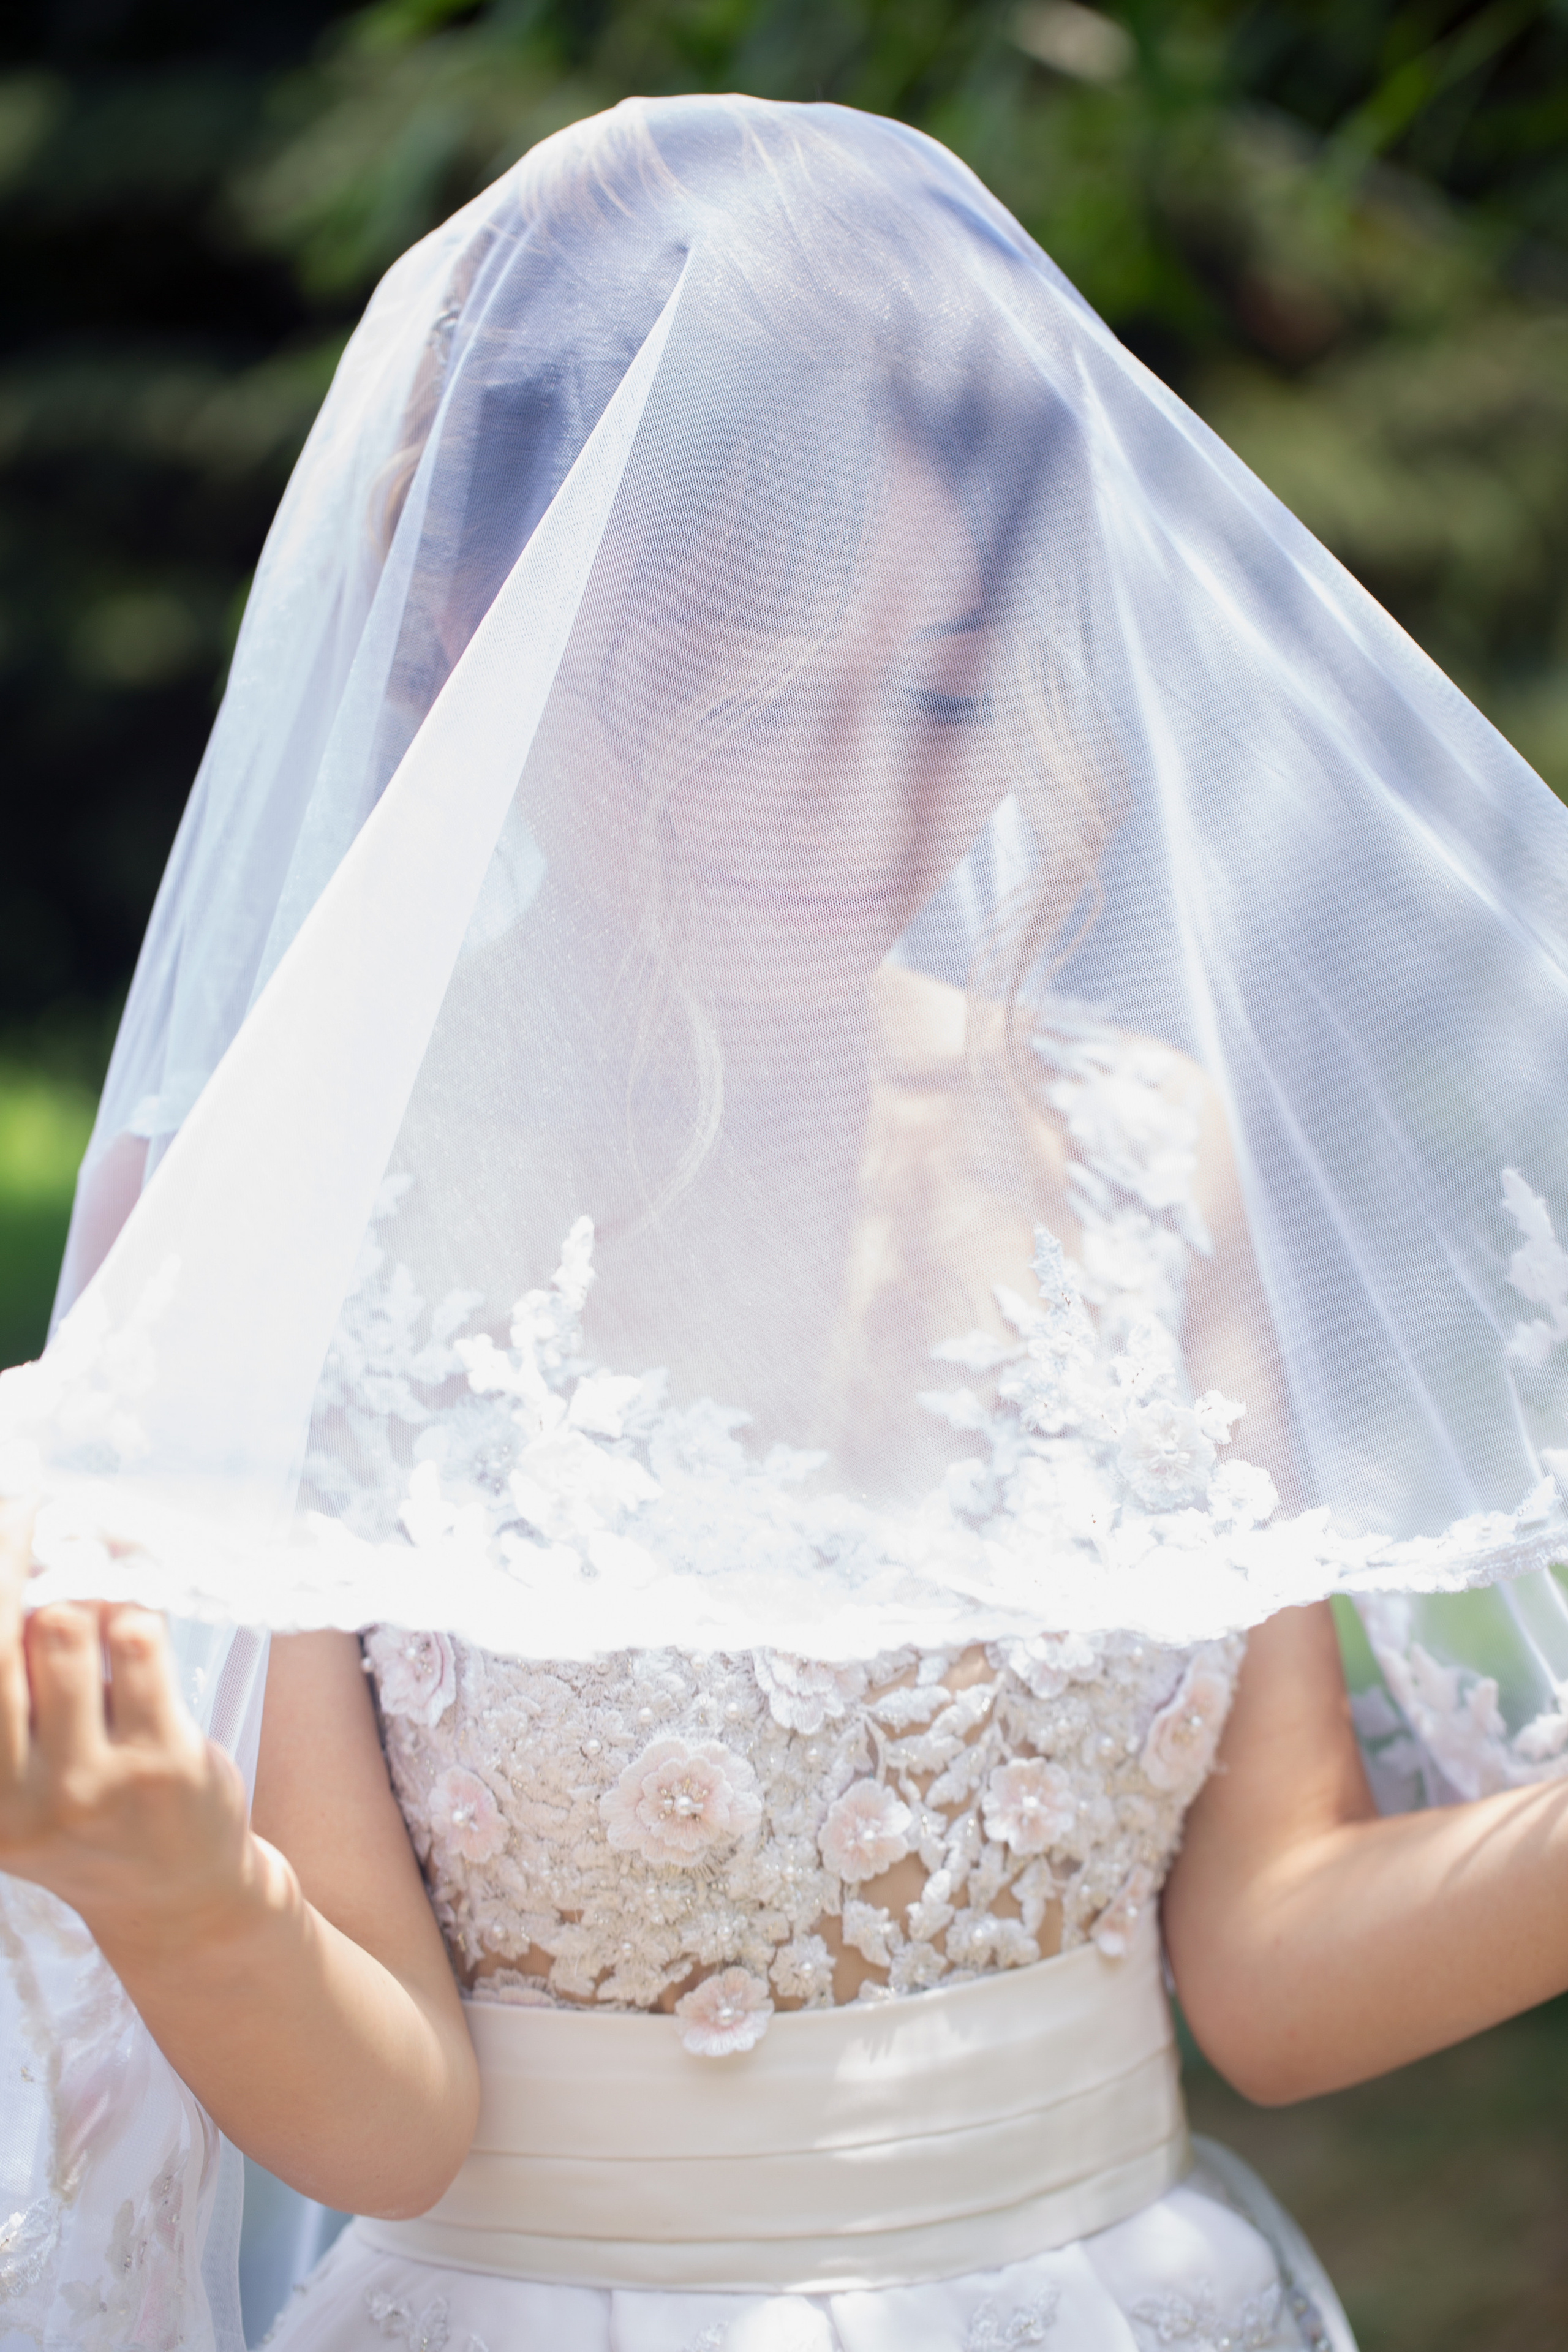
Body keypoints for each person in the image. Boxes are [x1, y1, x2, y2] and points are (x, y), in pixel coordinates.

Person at [4, 92, 1568, 2352]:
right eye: (748, 697)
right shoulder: (283, 1219)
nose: (867, 803)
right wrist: (182, 1891)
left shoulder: (1139, 1152)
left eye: (947, 690)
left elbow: (1274, 1963)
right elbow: (389, 2118)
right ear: (473, 629)